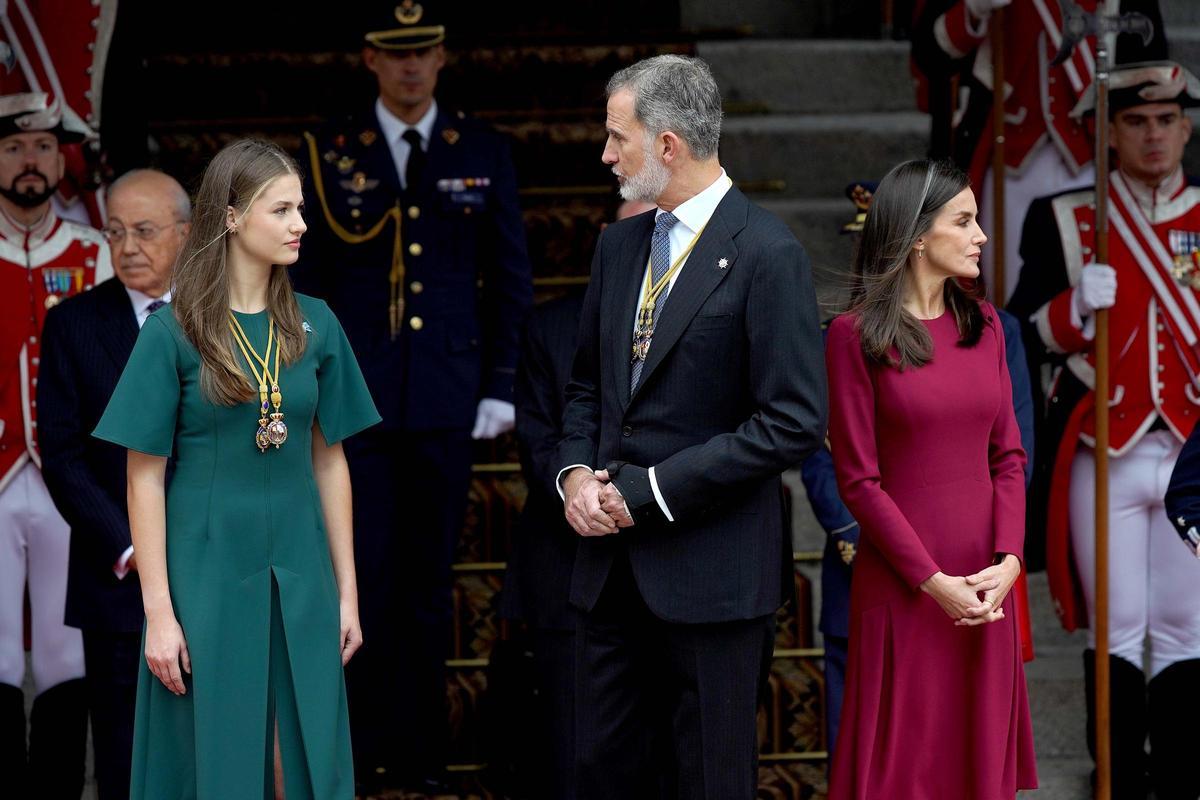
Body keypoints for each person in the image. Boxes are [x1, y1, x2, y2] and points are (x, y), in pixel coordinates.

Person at [557, 55, 827, 799]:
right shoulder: (618, 247)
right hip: (609, 578)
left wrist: (652, 492)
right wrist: (575, 473)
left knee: (710, 780)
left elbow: (793, 421)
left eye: (618, 138)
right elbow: (586, 389)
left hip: (714, 577)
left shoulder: (769, 254)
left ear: (668, 144)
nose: (606, 155)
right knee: (600, 774)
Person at [91, 139, 380, 799]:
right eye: (280, 210)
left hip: (303, 569)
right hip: (206, 571)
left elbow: (331, 459)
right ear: (230, 216)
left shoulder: (319, 324)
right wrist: (159, 613)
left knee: (302, 757)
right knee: (216, 754)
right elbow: (142, 477)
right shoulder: (173, 332)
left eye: (299, 209)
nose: (300, 224)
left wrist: (348, 592)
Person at [290, 5, 533, 788]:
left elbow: (510, 282)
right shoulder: (329, 151)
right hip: (352, 403)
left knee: (429, 582)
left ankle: (423, 755)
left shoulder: (482, 149)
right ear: (369, 58)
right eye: (396, 54)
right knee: (358, 579)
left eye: (424, 51)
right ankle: (354, 757)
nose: (411, 67)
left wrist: (500, 386)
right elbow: (305, 284)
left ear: (442, 56)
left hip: (445, 400)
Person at [1007, 61, 1200, 799]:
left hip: (1193, 455)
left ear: (1185, 127)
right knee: (1115, 629)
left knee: (1187, 630)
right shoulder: (1065, 217)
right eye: (1134, 121)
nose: (1152, 135)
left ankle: (1183, 781)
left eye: (1166, 120)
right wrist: (1072, 311)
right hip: (1104, 451)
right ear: (1108, 131)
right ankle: (1113, 781)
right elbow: (1020, 334)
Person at [825, 159, 1036, 798]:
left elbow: (1009, 458)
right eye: (965, 221)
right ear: (918, 235)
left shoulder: (990, 326)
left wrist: (1011, 563)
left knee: (977, 770)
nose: (981, 237)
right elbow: (859, 481)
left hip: (985, 584)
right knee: (902, 770)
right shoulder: (851, 336)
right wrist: (932, 581)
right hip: (905, 584)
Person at [38, 168, 189, 800]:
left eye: (145, 232)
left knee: (217, 748)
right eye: (116, 231)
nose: (127, 247)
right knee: (130, 758)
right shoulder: (74, 323)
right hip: (117, 580)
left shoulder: (228, 314)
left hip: (218, 571)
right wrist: (131, 547)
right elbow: (64, 454)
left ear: (187, 233)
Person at [498, 198, 653, 800]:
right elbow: (537, 439)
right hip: (571, 567)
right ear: (606, 237)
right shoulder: (551, 326)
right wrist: (580, 485)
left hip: (678, 564)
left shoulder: (713, 316)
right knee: (577, 755)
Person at [910, 0, 1167, 302]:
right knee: (999, 286)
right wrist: (973, 10)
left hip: (1092, 154)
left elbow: (1151, 62)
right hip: (1007, 154)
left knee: (1098, 288)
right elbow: (931, 53)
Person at [0, 90, 109, 797]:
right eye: (12, 148)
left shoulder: (98, 253)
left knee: (70, 651)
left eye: (42, 146)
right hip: (1, 475)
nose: (30, 161)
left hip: (74, 478)